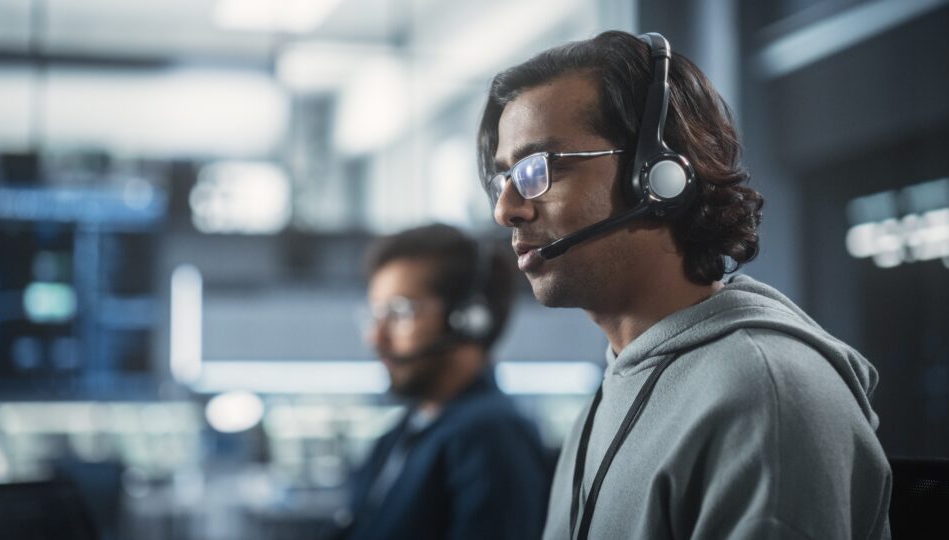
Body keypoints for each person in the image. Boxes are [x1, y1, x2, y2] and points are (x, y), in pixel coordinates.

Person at [478, 31, 891, 539]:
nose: (506, 210)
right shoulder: (608, 396)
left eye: (537, 169)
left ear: (657, 175)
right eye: (504, 179)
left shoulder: (765, 396)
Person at [342, 223, 549, 540]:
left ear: (469, 318)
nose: (376, 337)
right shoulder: (405, 432)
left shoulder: (491, 438)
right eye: (375, 314)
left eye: (399, 312)